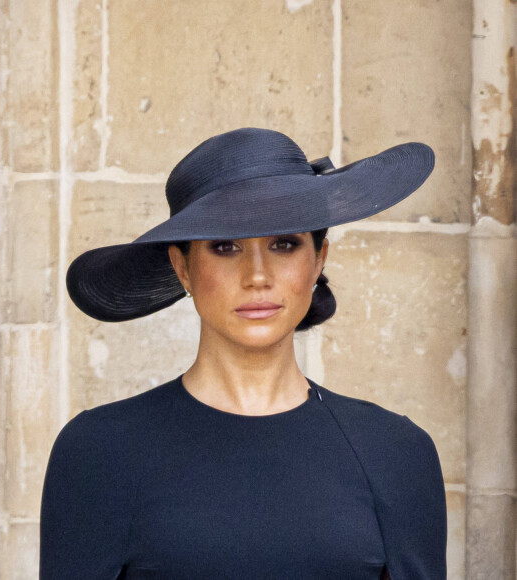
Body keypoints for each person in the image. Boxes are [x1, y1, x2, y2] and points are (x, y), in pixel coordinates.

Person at [39, 127, 447, 579]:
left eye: (284, 244)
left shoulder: (396, 452)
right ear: (183, 268)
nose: (257, 275)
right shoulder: (100, 452)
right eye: (226, 246)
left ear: (318, 260)